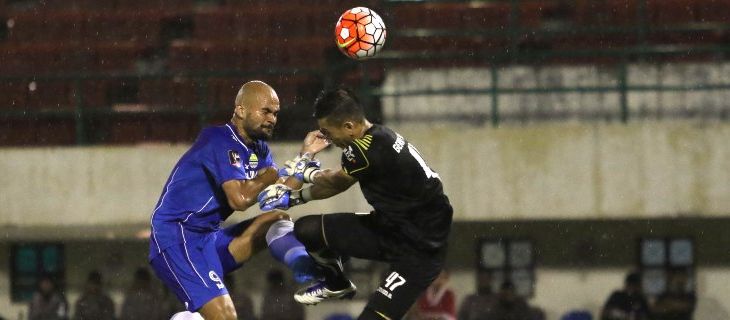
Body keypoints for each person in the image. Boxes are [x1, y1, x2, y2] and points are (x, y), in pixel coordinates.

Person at [258, 87, 454, 320]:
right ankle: (336, 282)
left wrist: (304, 164)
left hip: (419, 251)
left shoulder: (367, 149)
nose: (328, 139)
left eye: (328, 132)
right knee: (307, 230)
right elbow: (338, 181)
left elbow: (335, 181)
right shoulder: (375, 140)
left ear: (349, 127)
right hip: (388, 229)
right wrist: (294, 196)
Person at [148, 80, 329, 320]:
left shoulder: (259, 149)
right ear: (241, 110)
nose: (272, 119)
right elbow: (240, 199)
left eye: (275, 113)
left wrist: (306, 155)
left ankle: (305, 267)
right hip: (177, 237)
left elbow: (277, 195)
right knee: (225, 317)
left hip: (207, 239)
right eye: (265, 111)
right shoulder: (218, 138)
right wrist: (271, 176)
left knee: (276, 219)